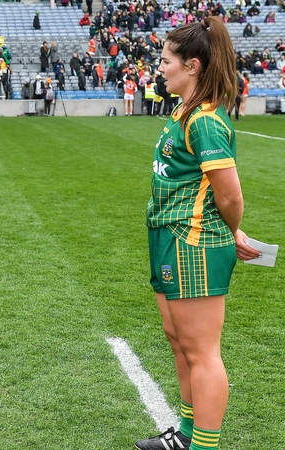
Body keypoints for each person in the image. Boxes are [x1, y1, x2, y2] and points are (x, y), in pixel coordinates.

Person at [135, 16, 260, 450]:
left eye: (166, 59)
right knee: (179, 342)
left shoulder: (206, 120)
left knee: (202, 352)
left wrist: (234, 230)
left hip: (195, 242)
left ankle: (202, 446)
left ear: (192, 66)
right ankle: (186, 435)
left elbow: (230, 196)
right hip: (169, 237)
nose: (159, 66)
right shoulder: (183, 109)